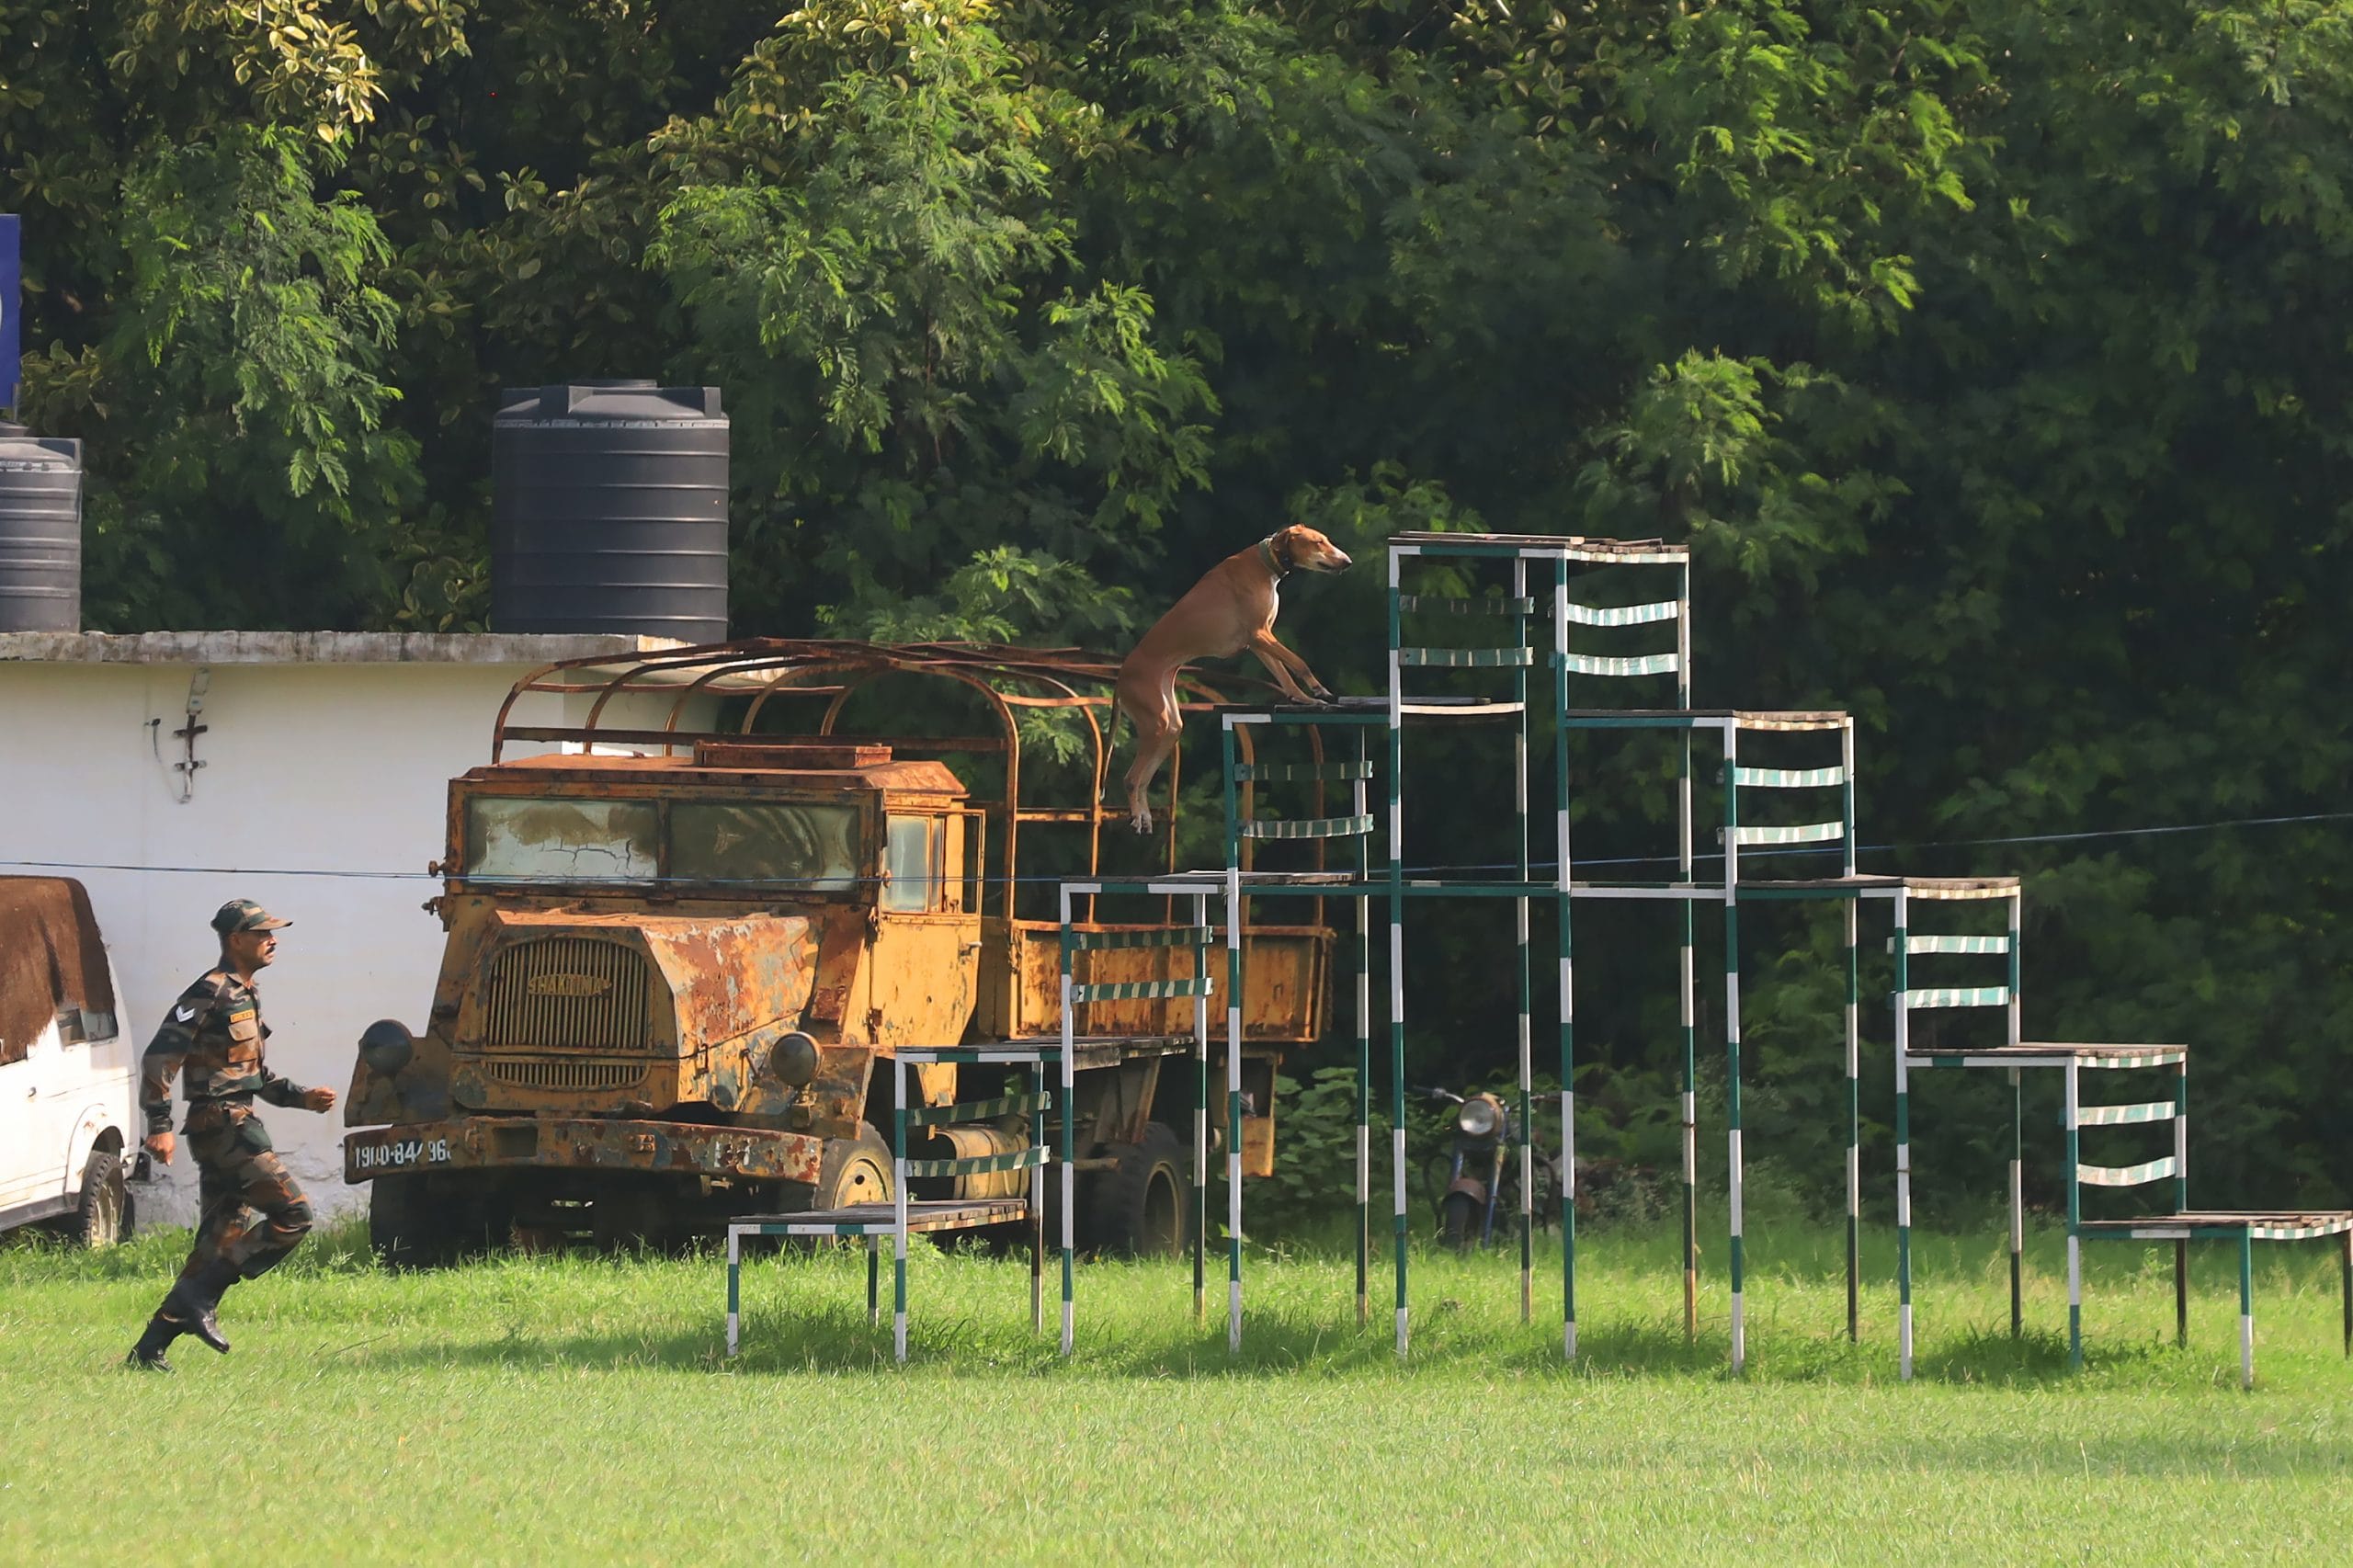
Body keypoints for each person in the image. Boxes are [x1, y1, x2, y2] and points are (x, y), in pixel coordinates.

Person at [124, 900, 335, 1371]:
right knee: (294, 1213)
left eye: (272, 932)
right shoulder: (210, 990)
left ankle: (149, 1349)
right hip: (223, 1125)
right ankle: (200, 1297)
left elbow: (253, 1076)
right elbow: (160, 1058)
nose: (272, 939)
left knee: (218, 1239)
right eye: (262, 933)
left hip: (234, 1117)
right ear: (235, 940)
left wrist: (304, 1098)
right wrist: (159, 1125)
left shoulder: (247, 994)